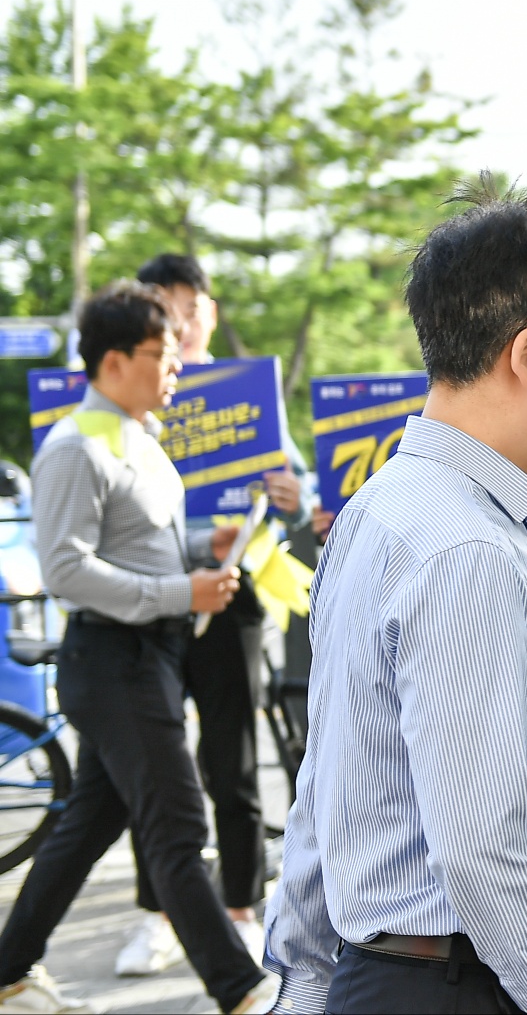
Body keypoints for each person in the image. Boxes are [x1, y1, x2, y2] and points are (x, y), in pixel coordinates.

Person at [264, 184, 527, 1014]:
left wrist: (302, 980)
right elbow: (484, 852)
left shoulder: (379, 508)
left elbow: (326, 782)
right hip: (460, 985)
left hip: (389, 973)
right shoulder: (466, 545)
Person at [0, 283, 277, 1015]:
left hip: (143, 657)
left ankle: (7, 970)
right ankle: (243, 991)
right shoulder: (74, 447)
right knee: (179, 824)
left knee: (93, 819)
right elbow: (67, 571)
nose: (177, 367)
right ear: (115, 361)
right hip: (112, 661)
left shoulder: (138, 435)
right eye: (162, 355)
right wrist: (183, 594)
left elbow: (140, 550)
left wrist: (198, 548)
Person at [106, 254, 313, 976]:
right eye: (162, 308)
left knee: (230, 757)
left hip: (232, 592)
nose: (179, 322)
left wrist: (293, 493)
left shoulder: (246, 397)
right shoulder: (124, 406)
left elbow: (297, 481)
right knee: (153, 767)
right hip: (151, 598)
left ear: (209, 316)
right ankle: (156, 913)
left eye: (188, 309)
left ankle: (240, 907)